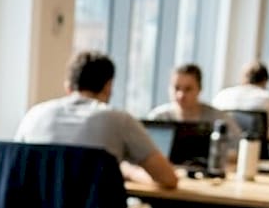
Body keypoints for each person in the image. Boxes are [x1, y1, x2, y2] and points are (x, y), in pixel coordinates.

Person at [15, 51, 178, 189]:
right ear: (108, 86)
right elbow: (168, 179)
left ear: (69, 86)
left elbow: (16, 171)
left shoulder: (34, 115)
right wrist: (127, 170)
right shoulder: (119, 120)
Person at [147, 63, 240, 151]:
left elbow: (237, 149)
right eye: (176, 88)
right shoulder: (157, 118)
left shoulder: (219, 119)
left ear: (199, 89)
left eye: (188, 89)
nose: (181, 95)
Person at [211, 61, 269, 139]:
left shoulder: (223, 95)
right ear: (265, 81)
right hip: (255, 153)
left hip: (224, 151)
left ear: (243, 78)